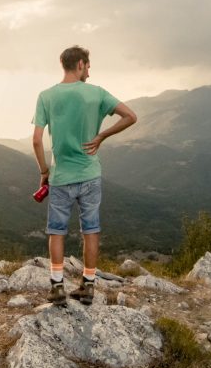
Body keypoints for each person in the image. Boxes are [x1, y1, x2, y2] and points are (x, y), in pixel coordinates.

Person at [32, 46, 137, 306]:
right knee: (91, 231)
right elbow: (131, 117)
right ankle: (88, 287)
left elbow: (36, 141)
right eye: (88, 66)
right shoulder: (97, 93)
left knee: (56, 232)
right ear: (80, 64)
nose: (89, 71)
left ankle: (57, 287)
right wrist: (102, 136)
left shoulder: (46, 96)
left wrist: (44, 172)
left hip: (60, 177)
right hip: (90, 174)